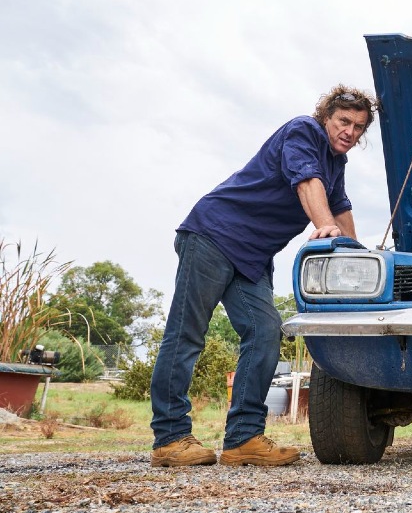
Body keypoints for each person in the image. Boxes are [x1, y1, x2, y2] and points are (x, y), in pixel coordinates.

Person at [150, 85, 375, 467]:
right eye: (344, 121)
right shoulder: (303, 131)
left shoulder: (337, 164)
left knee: (266, 331)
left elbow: (339, 207)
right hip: (212, 235)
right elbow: (308, 184)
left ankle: (243, 439)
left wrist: (360, 258)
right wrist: (324, 228)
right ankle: (170, 438)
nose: (350, 132)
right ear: (326, 119)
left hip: (251, 257)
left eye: (359, 127)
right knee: (187, 331)